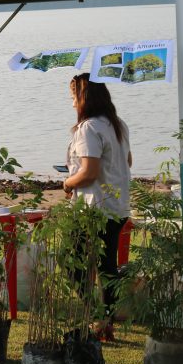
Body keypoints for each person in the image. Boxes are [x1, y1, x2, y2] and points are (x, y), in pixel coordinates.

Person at [61, 73, 132, 340]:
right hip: (118, 205)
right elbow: (128, 161)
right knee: (106, 266)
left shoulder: (89, 128)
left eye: (73, 97)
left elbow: (89, 172)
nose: (72, 104)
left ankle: (96, 314)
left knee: (70, 260)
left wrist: (68, 183)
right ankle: (106, 321)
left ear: (84, 98)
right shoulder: (118, 125)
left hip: (95, 208)